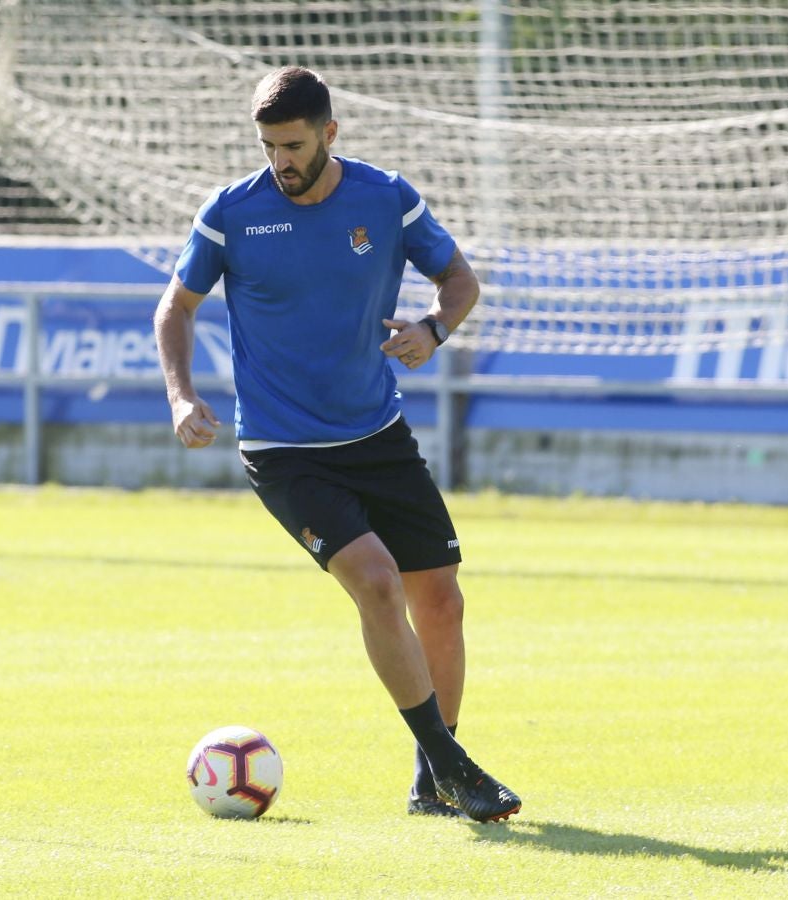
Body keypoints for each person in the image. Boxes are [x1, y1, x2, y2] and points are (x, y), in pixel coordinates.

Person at [152, 66, 520, 823]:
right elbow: (175, 308)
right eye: (267, 146)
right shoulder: (231, 213)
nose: (279, 162)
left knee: (441, 601)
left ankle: (430, 784)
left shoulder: (386, 198)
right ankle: (454, 769)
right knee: (378, 584)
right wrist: (181, 395)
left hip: (378, 435)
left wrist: (433, 329)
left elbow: (459, 280)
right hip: (284, 450)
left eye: (292, 145)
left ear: (329, 133)